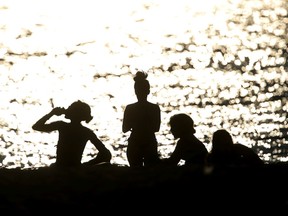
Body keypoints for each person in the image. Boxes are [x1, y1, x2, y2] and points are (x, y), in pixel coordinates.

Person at [32, 100, 112, 168]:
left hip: (59, 167)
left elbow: (36, 126)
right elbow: (106, 154)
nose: (67, 109)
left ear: (73, 113)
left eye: (70, 108)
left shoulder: (62, 126)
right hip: (76, 167)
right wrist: (85, 166)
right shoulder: (87, 132)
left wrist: (52, 113)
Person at [122, 71, 161, 167]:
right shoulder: (154, 108)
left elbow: (124, 129)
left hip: (134, 142)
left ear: (135, 91)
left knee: (135, 171)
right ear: (148, 91)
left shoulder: (130, 108)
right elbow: (156, 128)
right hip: (150, 141)